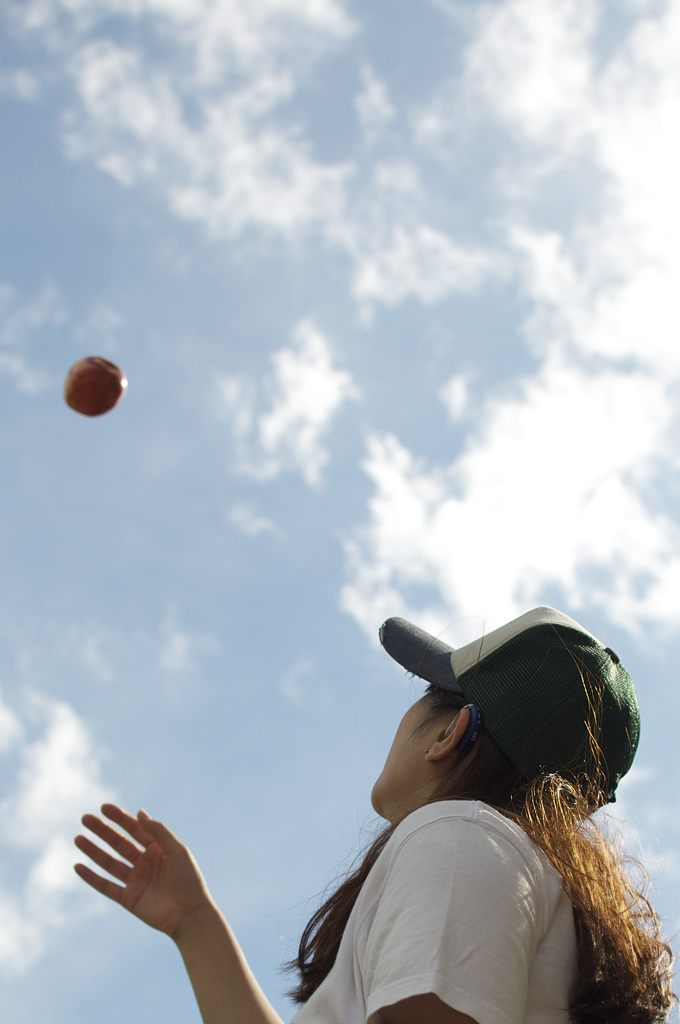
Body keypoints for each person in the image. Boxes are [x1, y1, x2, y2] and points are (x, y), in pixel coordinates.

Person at [75, 606, 675, 1024]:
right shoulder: (499, 861)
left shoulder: (460, 835)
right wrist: (195, 924)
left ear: (451, 732)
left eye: (425, 693)